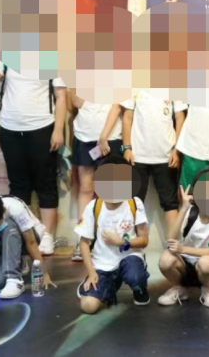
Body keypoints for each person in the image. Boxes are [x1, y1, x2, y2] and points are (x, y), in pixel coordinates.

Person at [0, 37, 68, 255]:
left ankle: (47, 236)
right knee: (18, 186)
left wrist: (58, 130)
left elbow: (61, 97)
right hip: (10, 130)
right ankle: (23, 234)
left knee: (46, 183)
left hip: (41, 128)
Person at [100, 90, 186, 235]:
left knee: (170, 203)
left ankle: (173, 246)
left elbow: (180, 118)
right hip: (137, 156)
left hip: (166, 156)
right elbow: (127, 117)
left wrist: (176, 150)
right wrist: (127, 148)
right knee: (132, 201)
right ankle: (130, 242)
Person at [76, 157, 151, 313]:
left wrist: (121, 242)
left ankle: (140, 288)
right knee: (88, 306)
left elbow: (144, 240)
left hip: (129, 257)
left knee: (135, 276)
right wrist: (91, 272)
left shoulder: (135, 203)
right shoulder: (93, 206)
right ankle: (106, 289)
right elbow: (84, 242)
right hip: (102, 264)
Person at [158, 170, 209, 307]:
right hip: (185, 264)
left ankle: (208, 290)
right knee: (165, 259)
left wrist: (183, 249)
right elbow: (171, 238)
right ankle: (179, 288)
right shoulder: (190, 211)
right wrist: (183, 208)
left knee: (206, 262)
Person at [0, 190, 57, 299]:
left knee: (9, 225)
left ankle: (15, 280)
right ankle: (18, 262)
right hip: (2, 245)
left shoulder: (15, 208)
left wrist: (44, 273)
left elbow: (31, 242)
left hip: (28, 238)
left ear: (4, 210)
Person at [69, 93, 123, 262]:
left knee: (109, 191)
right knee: (85, 189)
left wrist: (103, 137)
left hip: (110, 137)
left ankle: (110, 240)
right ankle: (83, 240)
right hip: (83, 135)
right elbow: (77, 102)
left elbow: (117, 106)